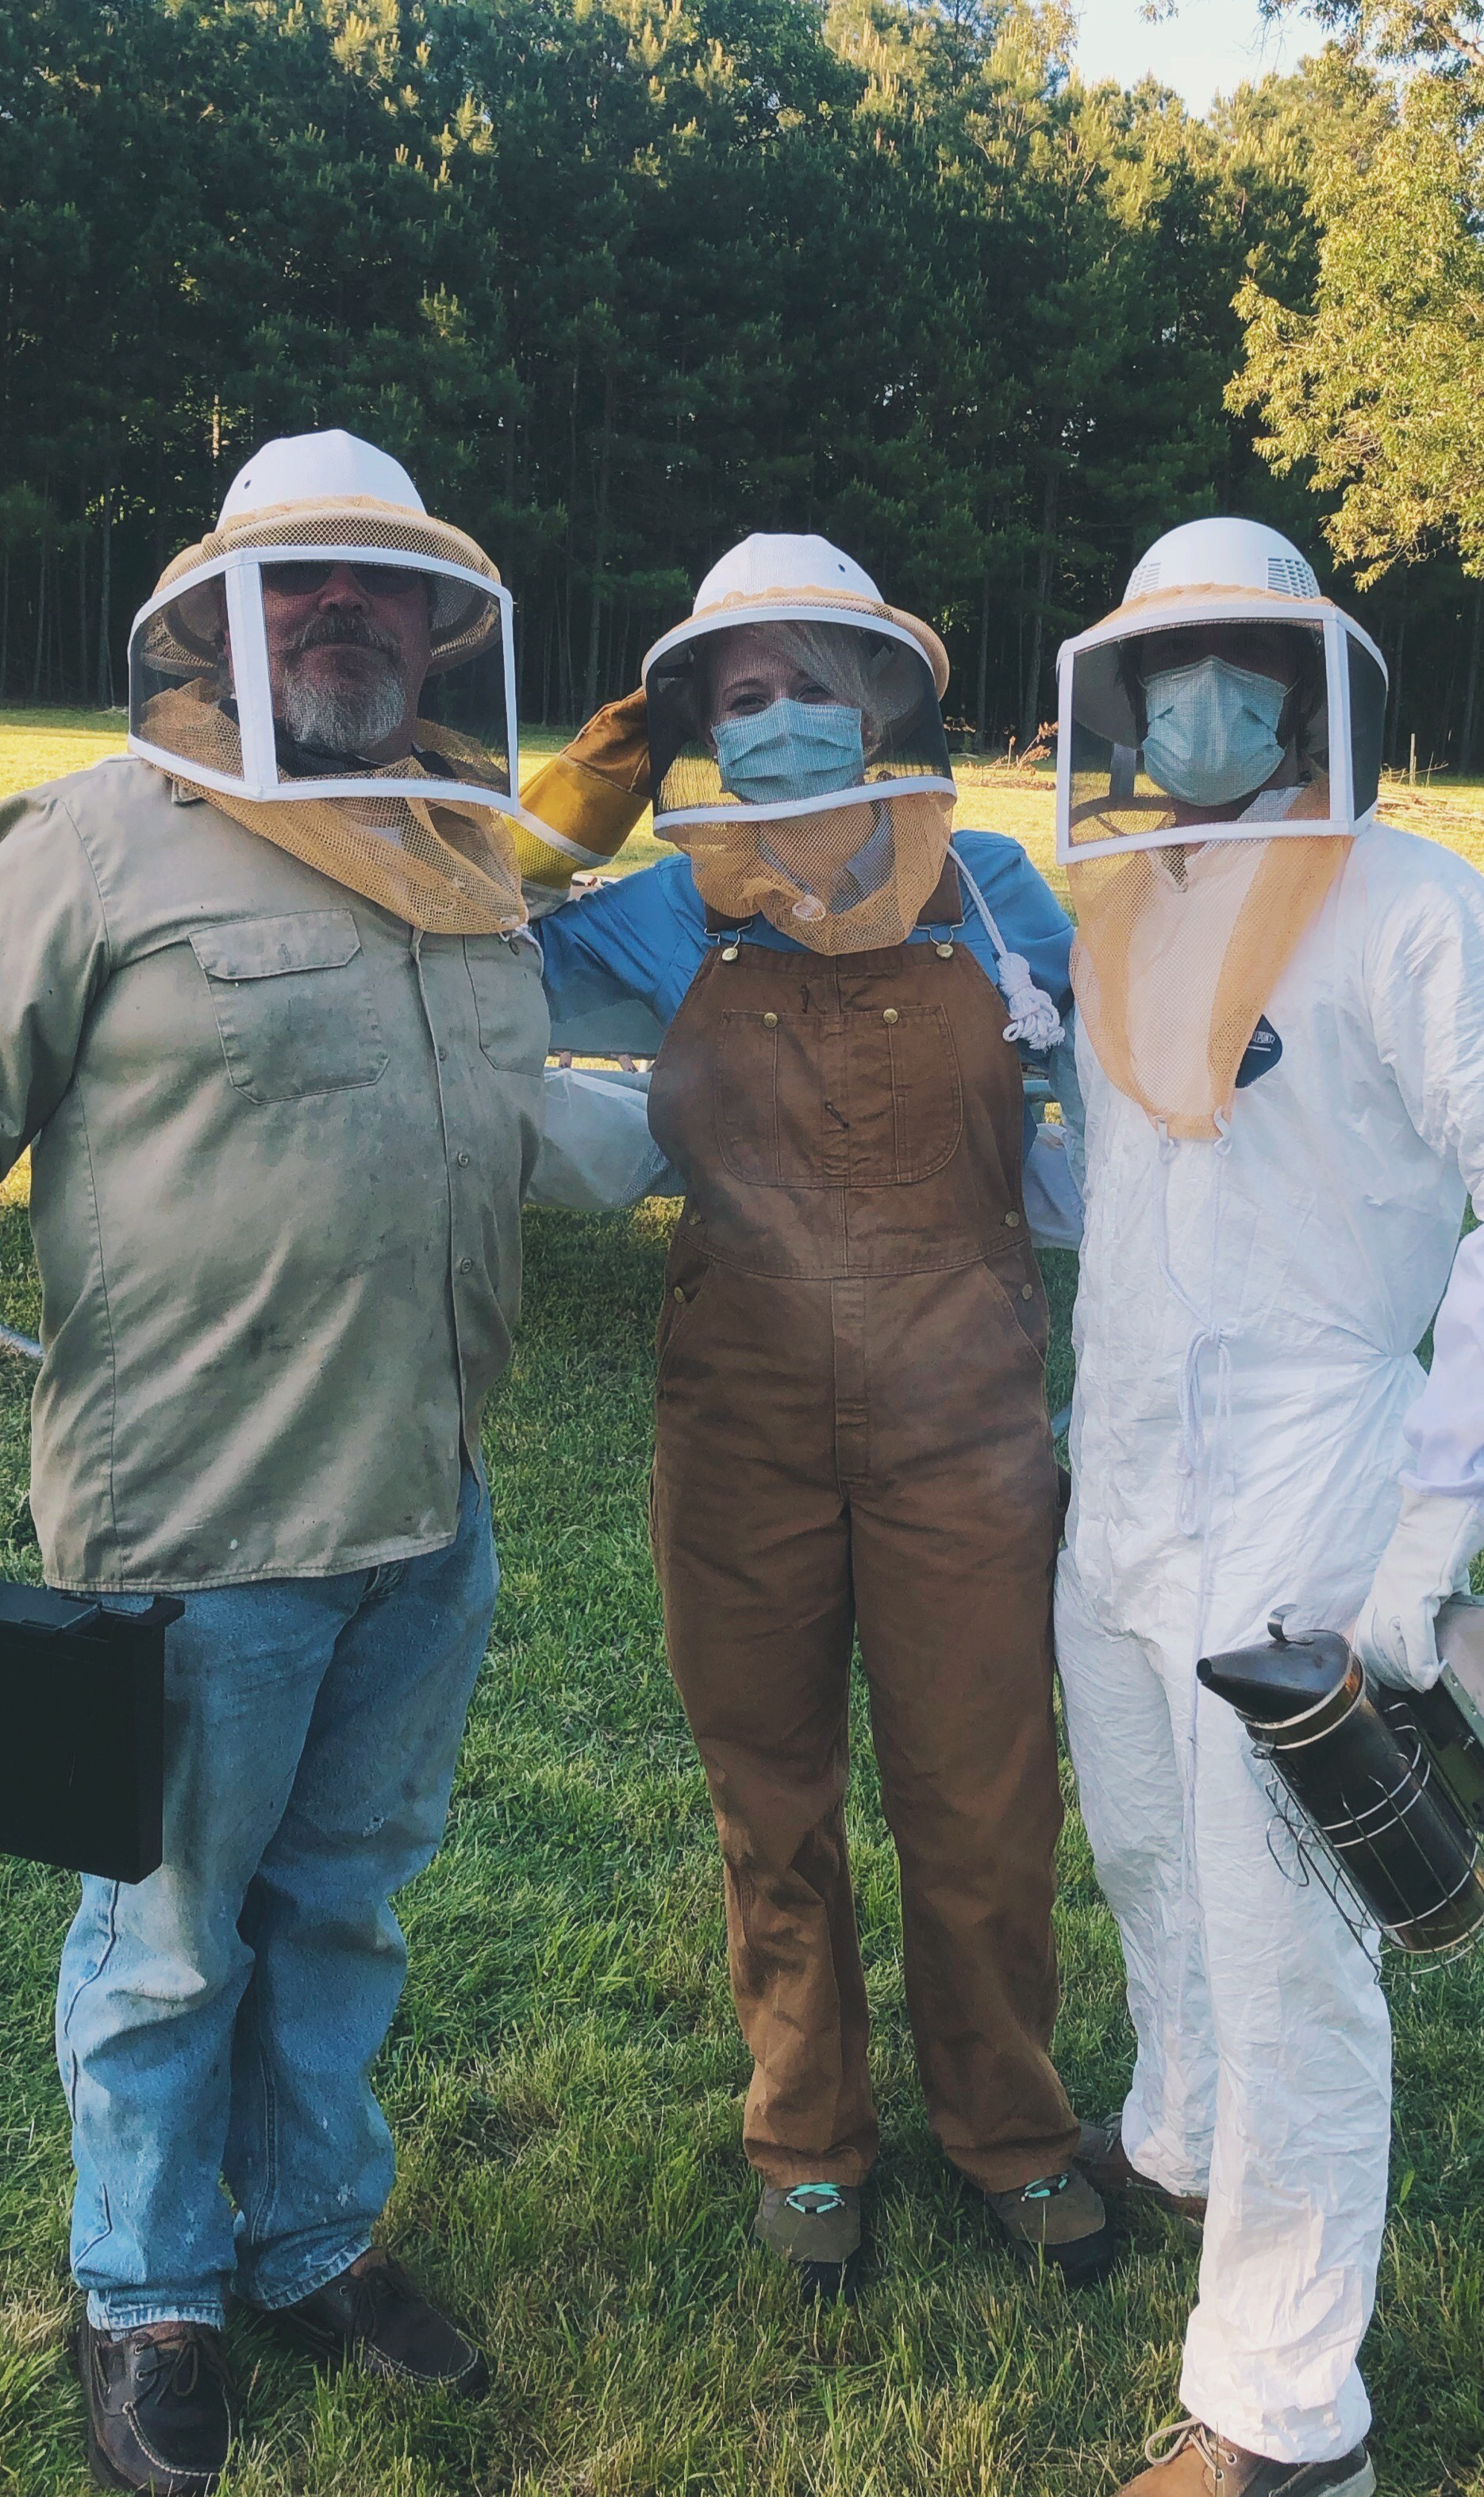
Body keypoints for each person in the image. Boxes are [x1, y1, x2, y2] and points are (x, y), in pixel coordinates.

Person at [0, 429, 632, 2496]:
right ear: (215, 620)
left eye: (380, 581)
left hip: (423, 1507)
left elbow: (489, 1110)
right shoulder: (95, 836)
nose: (342, 608)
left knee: (345, 1908)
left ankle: (308, 2235)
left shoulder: (460, 846)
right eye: (297, 581)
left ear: (441, 621)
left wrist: (698, 1127)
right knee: (168, 1938)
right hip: (194, 1520)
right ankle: (149, 2282)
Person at [1045, 517, 1484, 2497]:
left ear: (1308, 688)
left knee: (1290, 1941)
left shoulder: (1415, 904)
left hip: (1306, 1485)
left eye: (1242, 662)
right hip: (1123, 1475)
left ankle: (1286, 2417)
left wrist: (1438, 1511)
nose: (1199, 701)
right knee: (1147, 1853)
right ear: (1118, 695)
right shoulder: (1120, 899)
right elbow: (1129, 1184)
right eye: (1166, 666)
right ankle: (1182, 2147)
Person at [534, 533, 1111, 2297]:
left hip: (967, 1415)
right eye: (741, 695)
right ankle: (804, 2137)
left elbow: (1108, 1079)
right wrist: (577, 805)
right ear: (700, 726)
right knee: (768, 1793)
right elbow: (461, 941)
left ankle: (1011, 2126)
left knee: (983, 1793)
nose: (778, 716)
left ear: (878, 705)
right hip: (743, 1416)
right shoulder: (667, 901)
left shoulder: (991, 885)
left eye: (809, 685)